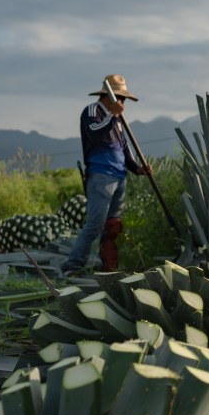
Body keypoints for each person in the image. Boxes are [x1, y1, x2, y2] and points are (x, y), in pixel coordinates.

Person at [62, 74, 150, 276]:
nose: (122, 102)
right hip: (101, 175)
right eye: (119, 97)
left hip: (119, 176)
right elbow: (94, 133)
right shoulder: (93, 111)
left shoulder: (117, 120)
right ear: (108, 96)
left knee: (112, 226)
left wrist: (137, 168)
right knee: (95, 224)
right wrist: (112, 115)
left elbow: (123, 148)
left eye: (123, 98)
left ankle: (109, 267)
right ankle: (73, 266)